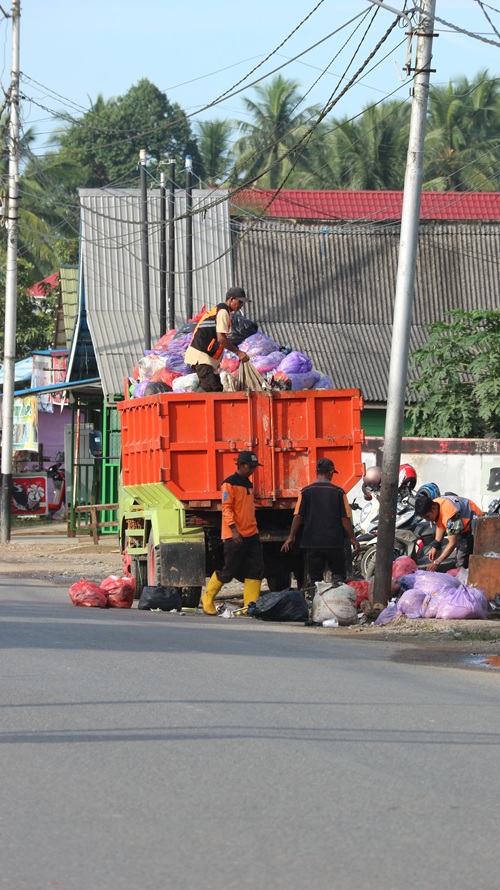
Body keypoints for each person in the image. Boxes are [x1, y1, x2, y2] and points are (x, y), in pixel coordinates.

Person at [201, 450, 264, 614]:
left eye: (254, 468)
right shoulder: (229, 483)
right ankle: (207, 598)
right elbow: (227, 509)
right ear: (241, 465)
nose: (252, 470)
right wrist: (234, 530)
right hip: (234, 535)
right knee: (229, 570)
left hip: (251, 533)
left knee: (256, 569)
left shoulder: (248, 484)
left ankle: (249, 606)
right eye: (250, 467)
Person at [281, 457, 360, 584]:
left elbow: (298, 516)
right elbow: (345, 518)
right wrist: (353, 538)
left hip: (313, 543)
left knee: (315, 579)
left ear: (316, 472)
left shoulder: (305, 492)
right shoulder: (339, 492)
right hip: (334, 543)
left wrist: (291, 537)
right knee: (338, 576)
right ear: (330, 472)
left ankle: (315, 601)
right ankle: (336, 600)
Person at [185, 286, 251, 392]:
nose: (241, 306)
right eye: (240, 302)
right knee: (210, 388)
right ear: (232, 299)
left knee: (217, 388)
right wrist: (238, 352)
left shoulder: (222, 310)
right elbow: (221, 339)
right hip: (201, 356)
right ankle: (191, 407)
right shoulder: (223, 312)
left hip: (206, 358)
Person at [414, 492, 483, 571]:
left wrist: (437, 562)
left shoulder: (451, 516)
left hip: (475, 524)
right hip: (462, 523)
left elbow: (452, 543)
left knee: (461, 561)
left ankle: (465, 578)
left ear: (433, 508)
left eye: (427, 516)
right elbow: (440, 523)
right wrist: (435, 546)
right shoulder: (436, 503)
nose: (427, 520)